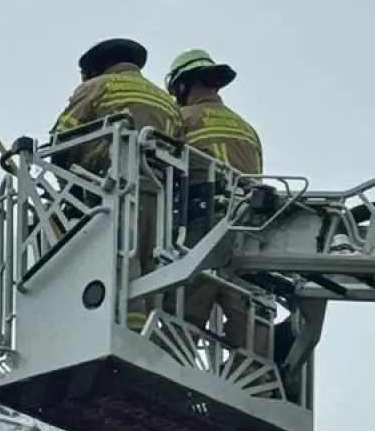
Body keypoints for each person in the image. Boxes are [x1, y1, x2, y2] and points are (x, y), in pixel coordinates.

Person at [51, 39, 183, 330]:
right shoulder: (167, 103)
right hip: (159, 196)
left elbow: (62, 138)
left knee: (121, 262)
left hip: (111, 188)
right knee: (153, 268)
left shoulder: (98, 87)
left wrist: (64, 187)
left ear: (96, 69)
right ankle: (150, 333)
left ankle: (125, 331)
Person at [164, 49, 268, 366]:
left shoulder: (181, 120)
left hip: (203, 224)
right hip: (251, 227)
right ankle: (256, 378)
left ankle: (165, 366)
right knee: (248, 312)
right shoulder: (247, 129)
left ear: (182, 86)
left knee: (184, 308)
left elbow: (159, 169)